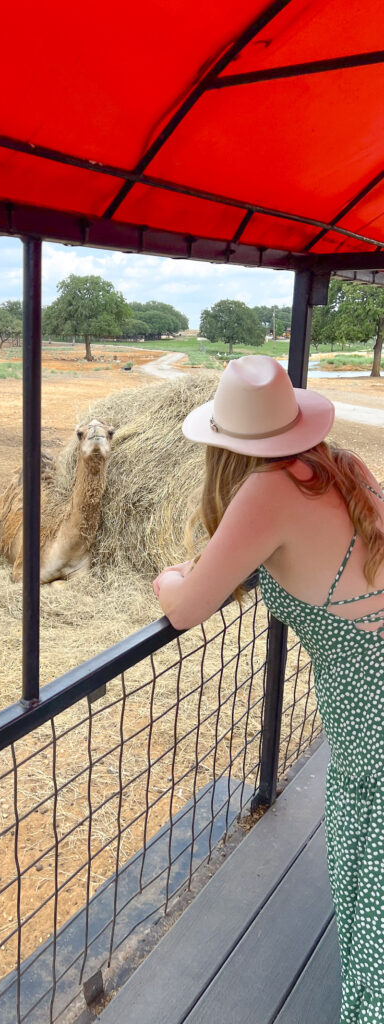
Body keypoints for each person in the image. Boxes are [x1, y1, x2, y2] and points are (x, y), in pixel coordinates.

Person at [153, 355, 384, 1024]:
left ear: (224, 444)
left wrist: (171, 578)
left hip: (372, 724)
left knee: (372, 889)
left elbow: (188, 604)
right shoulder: (340, 465)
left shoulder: (266, 491)